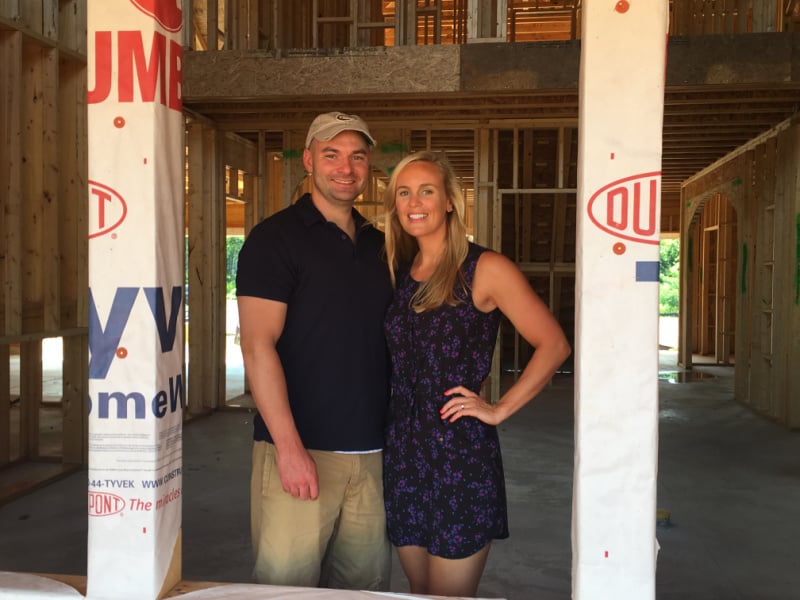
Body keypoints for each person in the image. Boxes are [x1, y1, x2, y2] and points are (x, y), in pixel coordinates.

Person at [382, 151, 571, 597]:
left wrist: (500, 408)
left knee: (449, 595)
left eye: (426, 190)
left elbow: (554, 344)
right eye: (403, 193)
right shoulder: (400, 271)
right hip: (403, 452)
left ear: (449, 200)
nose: (414, 201)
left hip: (458, 455)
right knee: (418, 588)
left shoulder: (485, 268)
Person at [236, 112, 392, 590]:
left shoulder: (380, 246)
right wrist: (288, 449)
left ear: (368, 166)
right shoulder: (274, 239)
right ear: (308, 160)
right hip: (303, 452)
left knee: (363, 586)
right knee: (288, 585)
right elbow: (257, 346)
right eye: (331, 155)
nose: (345, 168)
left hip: (372, 455)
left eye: (357, 156)